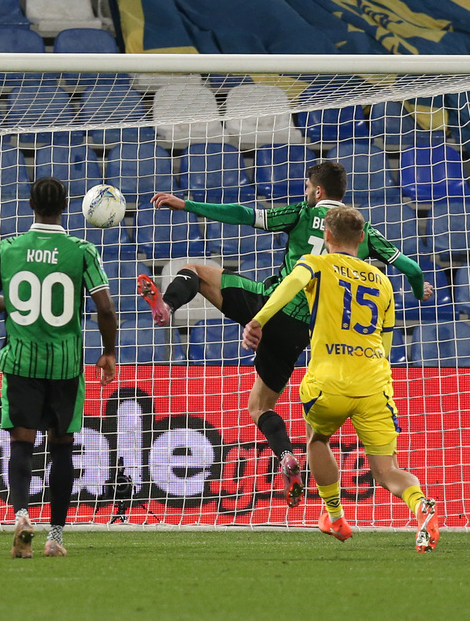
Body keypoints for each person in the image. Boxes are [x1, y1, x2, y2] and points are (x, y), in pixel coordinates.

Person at [137, 161, 432, 508]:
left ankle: (169, 307)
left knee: (194, 271)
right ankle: (288, 459)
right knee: (261, 405)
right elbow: (411, 268)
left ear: (318, 191)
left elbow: (242, 214)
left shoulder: (300, 214)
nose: (305, 193)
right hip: (301, 333)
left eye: (308, 187)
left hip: (268, 305)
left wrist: (188, 205)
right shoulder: (361, 234)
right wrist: (417, 289)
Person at [242, 206, 439, 552]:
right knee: (388, 471)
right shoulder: (383, 281)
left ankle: (334, 515)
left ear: (327, 237)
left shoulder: (315, 263)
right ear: (362, 239)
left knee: (318, 440)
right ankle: (420, 503)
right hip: (374, 383)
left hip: (328, 381)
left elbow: (291, 284)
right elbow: (386, 343)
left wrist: (259, 319)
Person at [0, 176, 118, 558]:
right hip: (65, 368)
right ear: (67, 206)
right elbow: (105, 308)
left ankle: (22, 515)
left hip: (21, 362)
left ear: (31, 205)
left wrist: (15, 305)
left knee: (21, 444)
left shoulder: (7, 249)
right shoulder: (82, 251)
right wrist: (108, 352)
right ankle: (55, 537)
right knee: (62, 450)